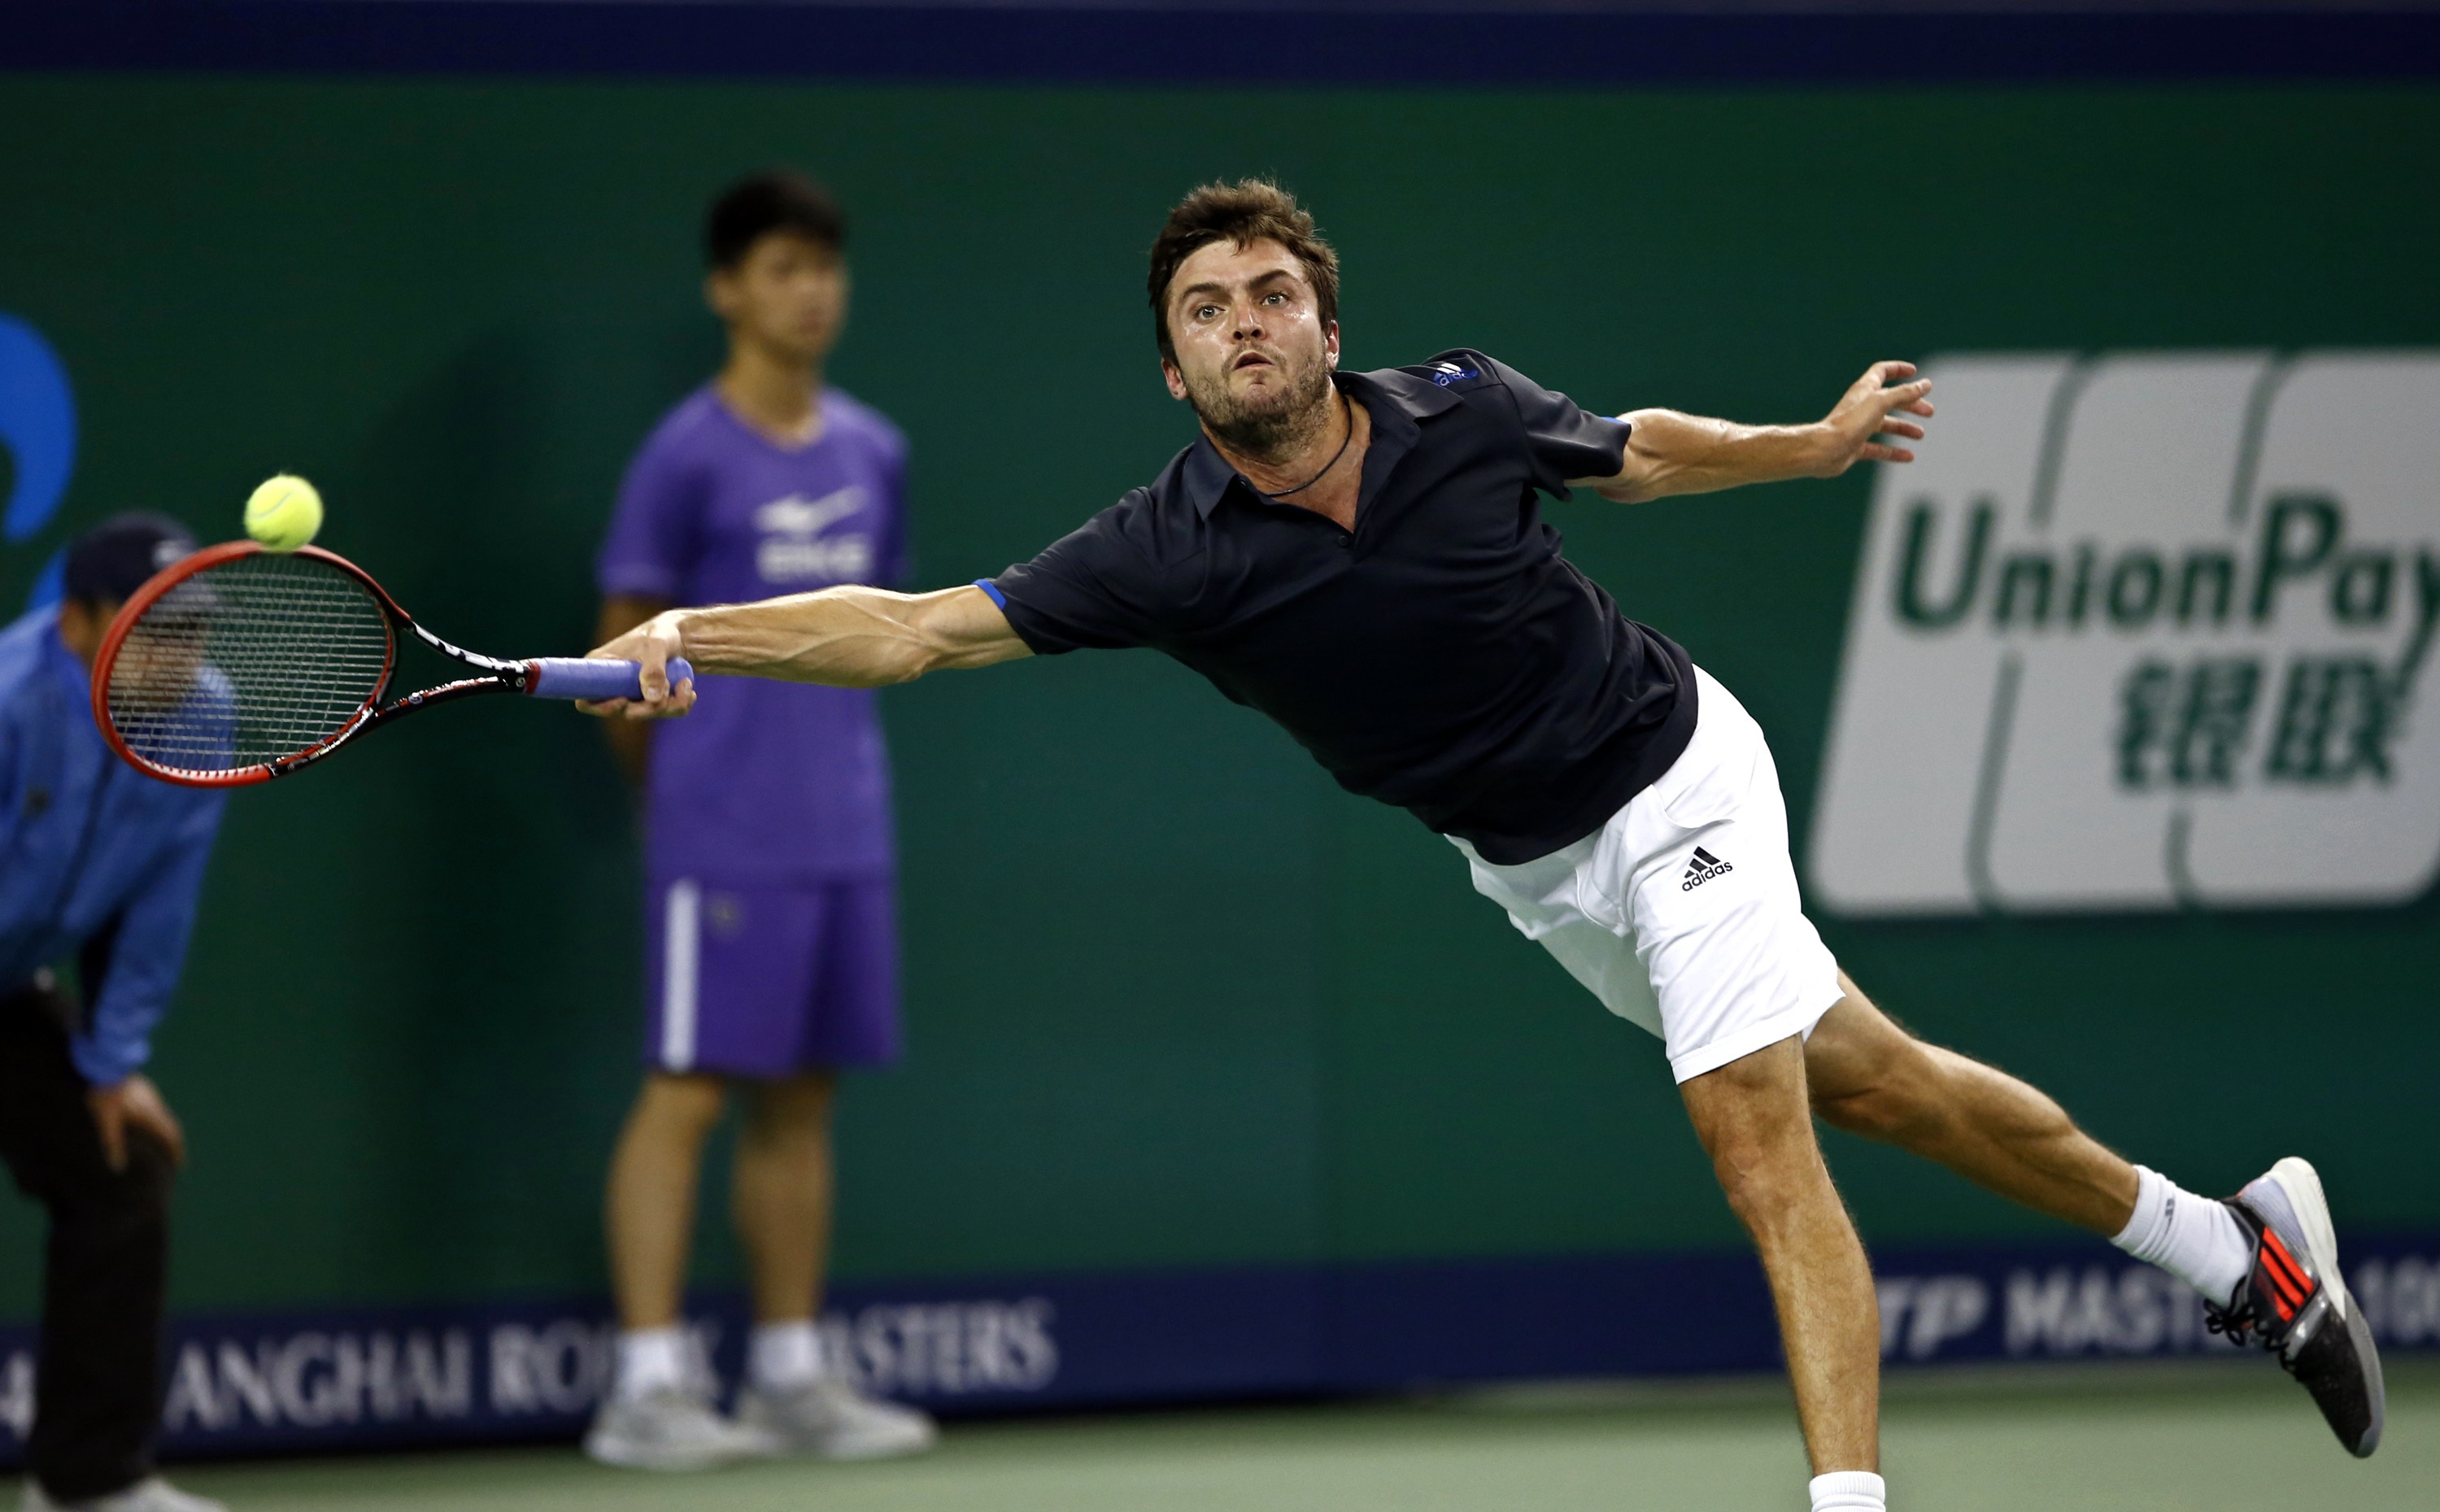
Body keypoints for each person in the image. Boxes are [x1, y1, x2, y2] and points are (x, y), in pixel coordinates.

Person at [582, 180, 2385, 1509]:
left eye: (1275, 291)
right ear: (1171, 367)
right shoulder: (1161, 547)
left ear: (1326, 321)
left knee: (1752, 1135)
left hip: (1679, 772)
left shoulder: (1461, 411)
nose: (1247, 319)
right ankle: (2239, 1252)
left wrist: (1809, 446)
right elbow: (912, 626)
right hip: (1535, 866)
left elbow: (1636, 457)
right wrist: (697, 633)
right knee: (1882, 1084)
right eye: (1208, 305)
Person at [582, 170, 937, 1471]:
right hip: (718, 829)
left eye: (825, 266)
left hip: (844, 826)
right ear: (729, 288)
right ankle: (645, 1383)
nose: (811, 290)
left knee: (804, 1098)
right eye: (782, 267)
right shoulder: (682, 456)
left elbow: (882, 633)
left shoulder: (874, 450)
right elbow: (624, 645)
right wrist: (675, 801)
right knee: (685, 1093)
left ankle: (788, 1373)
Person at [1, 515, 230, 1512]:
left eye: (191, 630)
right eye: (153, 628)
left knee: (121, 1165)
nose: (178, 655)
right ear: (78, 625)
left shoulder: (200, 717)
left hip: (9, 990)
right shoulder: (6, 701)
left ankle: (92, 1479)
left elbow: (158, 906)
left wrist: (110, 1063)